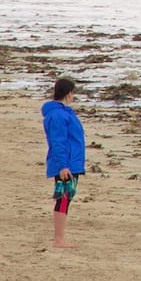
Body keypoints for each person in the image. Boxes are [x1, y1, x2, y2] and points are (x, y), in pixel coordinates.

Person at [42, 78, 87, 248]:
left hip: (71, 162)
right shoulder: (57, 115)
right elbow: (58, 141)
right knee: (63, 197)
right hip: (65, 164)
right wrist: (63, 166)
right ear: (68, 93)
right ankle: (58, 238)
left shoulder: (63, 113)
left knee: (67, 197)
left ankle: (60, 237)